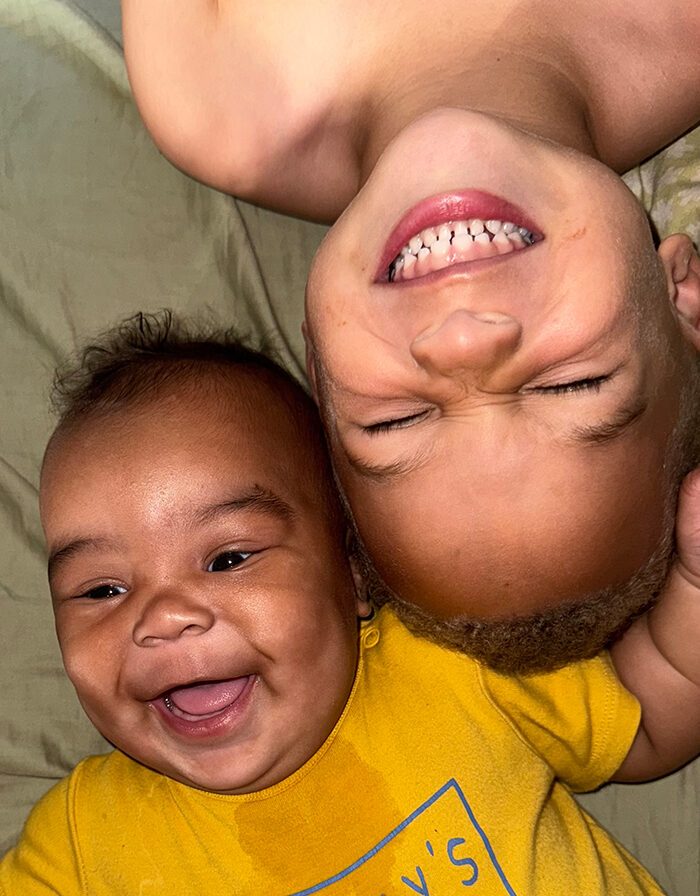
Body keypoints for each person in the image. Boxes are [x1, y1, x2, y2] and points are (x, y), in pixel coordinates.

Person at [1, 314, 700, 896]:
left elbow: (649, 716)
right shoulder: (88, 844)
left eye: (228, 559)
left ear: (355, 571)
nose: (159, 618)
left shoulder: (451, 666)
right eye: (101, 591)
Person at [119, 0, 700, 670]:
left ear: (320, 365)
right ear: (680, 292)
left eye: (399, 420)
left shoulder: (211, 98)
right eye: (574, 382)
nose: (460, 342)